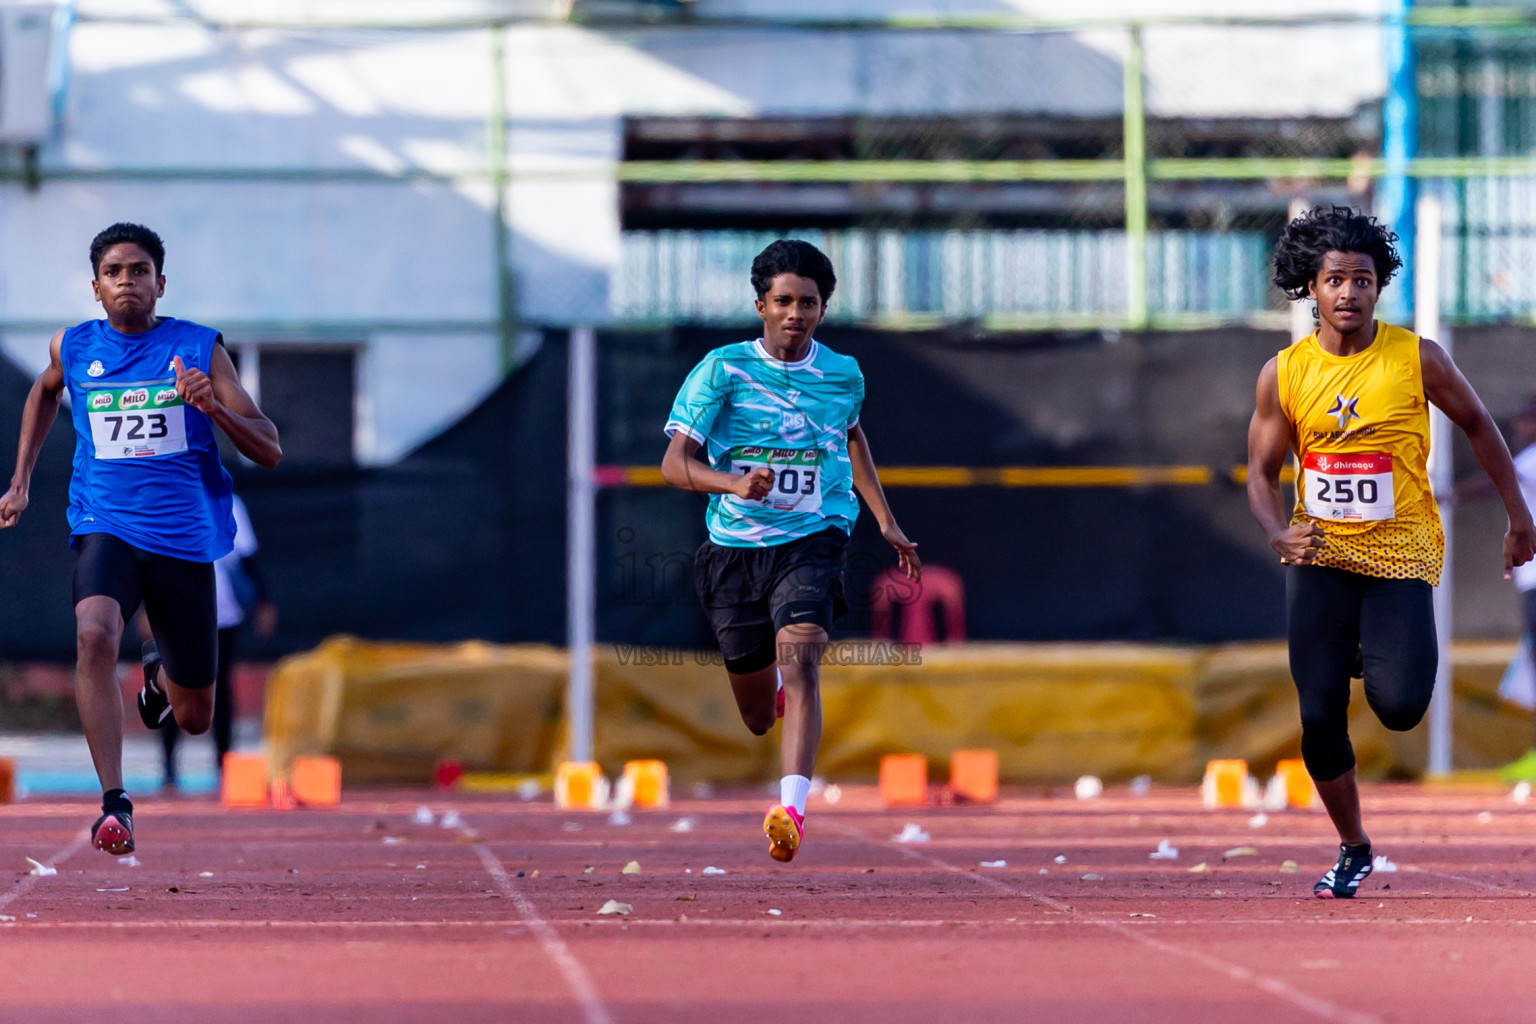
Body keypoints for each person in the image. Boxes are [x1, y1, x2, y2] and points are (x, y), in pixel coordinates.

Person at [1247, 206, 1535, 898]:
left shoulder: (1416, 358)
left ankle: (1361, 646)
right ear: (1311, 289)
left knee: (1402, 706)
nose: (1349, 294)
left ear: (1380, 288)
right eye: (1336, 281)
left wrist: (1519, 516)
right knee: (1318, 715)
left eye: (1364, 281)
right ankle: (1352, 846)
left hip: (1401, 557)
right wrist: (1276, 531)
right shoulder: (1283, 374)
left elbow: (1478, 425)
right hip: (1318, 557)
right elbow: (1259, 473)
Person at [0, 223, 281, 855]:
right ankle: (115, 804)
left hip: (182, 539)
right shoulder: (72, 348)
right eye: (114, 272)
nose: (128, 280)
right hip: (105, 523)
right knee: (95, 633)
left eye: (140, 270)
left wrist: (214, 409)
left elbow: (269, 448)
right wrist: (19, 481)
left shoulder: (199, 348)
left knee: (194, 716)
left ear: (160, 283)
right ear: (96, 288)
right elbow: (44, 394)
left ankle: (157, 678)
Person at [661, 239, 920, 863]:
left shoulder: (842, 375)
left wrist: (885, 520)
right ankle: (768, 683)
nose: (795, 313)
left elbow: (852, 439)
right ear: (760, 306)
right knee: (755, 716)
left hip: (815, 534)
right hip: (734, 548)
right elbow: (674, 464)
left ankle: (792, 810)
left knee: (803, 657)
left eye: (808, 302)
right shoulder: (721, 371)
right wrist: (733, 483)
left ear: (823, 310)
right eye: (783, 301)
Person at [158, 492, 277, 789]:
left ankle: (224, 764)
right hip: (177, 610)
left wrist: (264, 601)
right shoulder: (167, 496)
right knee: (174, 685)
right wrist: (148, 610)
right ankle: (169, 765)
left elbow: (247, 556)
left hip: (224, 613)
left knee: (220, 687)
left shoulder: (230, 502)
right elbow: (152, 559)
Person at [1459, 396, 1536, 780]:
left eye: (1529, 420)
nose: (1522, 428)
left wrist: (1451, 493)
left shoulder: (1532, 459)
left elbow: (1502, 479)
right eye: (1521, 420)